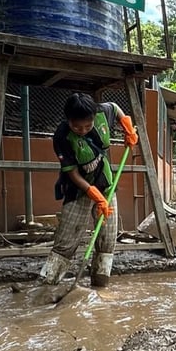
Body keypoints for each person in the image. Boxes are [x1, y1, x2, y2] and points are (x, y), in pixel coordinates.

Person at [40, 92, 138, 288]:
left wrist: (127, 127)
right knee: (66, 239)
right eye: (77, 126)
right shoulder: (61, 136)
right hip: (78, 188)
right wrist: (93, 193)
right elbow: (72, 173)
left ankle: (100, 285)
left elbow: (115, 107)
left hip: (106, 184)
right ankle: (47, 286)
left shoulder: (102, 111)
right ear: (68, 120)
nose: (83, 130)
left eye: (88, 125)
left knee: (107, 237)